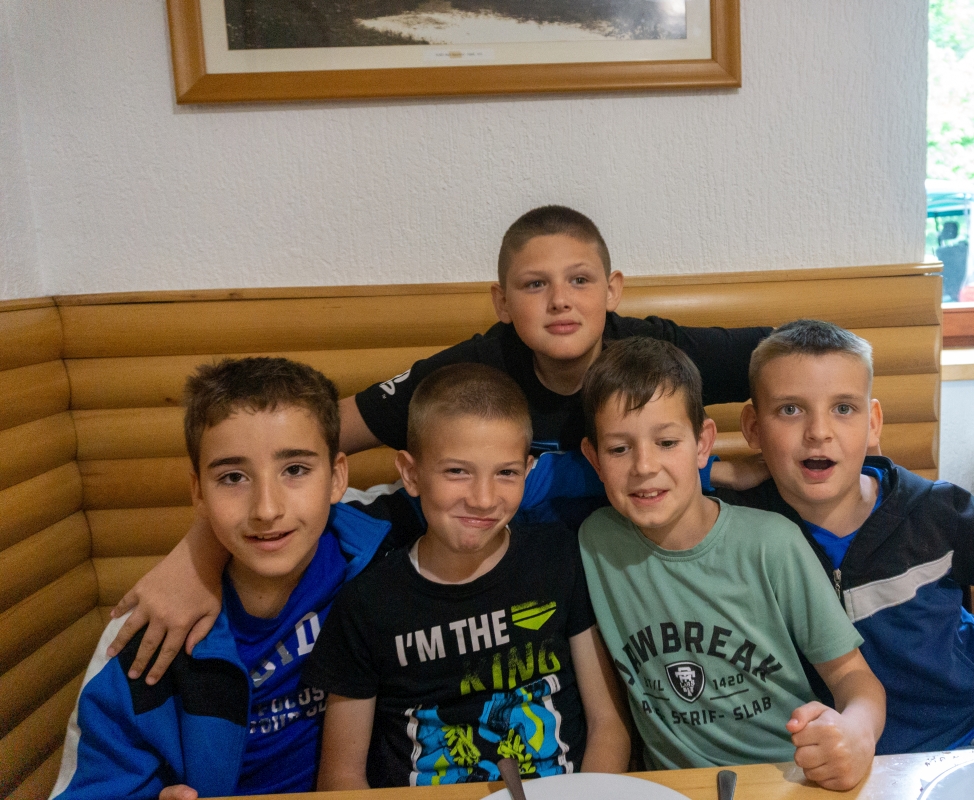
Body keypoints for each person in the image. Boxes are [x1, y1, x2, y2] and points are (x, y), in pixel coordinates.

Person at [109, 204, 773, 684]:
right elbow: (296, 437)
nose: (560, 301)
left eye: (579, 280)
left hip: (617, 567)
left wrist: (733, 465)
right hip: (499, 569)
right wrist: (197, 554)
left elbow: (802, 354)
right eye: (534, 284)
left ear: (613, 290)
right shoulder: (474, 367)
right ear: (502, 302)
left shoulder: (657, 351)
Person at [724, 319, 974, 754]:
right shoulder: (738, 527)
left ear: (873, 423)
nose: (819, 431)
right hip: (853, 758)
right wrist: (717, 472)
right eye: (790, 410)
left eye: (844, 408)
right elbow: (666, 477)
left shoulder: (938, 510)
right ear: (753, 427)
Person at [51, 357, 394, 799]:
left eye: (295, 470)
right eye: (233, 477)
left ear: (337, 477)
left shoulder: (386, 552)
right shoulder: (146, 637)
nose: (266, 509)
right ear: (198, 491)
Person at [576, 338, 885, 791]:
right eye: (619, 449)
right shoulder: (595, 543)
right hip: (673, 788)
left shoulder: (772, 543)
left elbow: (853, 677)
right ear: (594, 459)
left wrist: (855, 732)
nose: (644, 466)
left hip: (791, 779)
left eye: (667, 442)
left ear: (703, 444)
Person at [303, 364, 631, 788]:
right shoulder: (367, 604)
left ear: (528, 470)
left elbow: (609, 725)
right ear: (411, 474)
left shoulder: (559, 557)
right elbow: (341, 776)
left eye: (506, 473)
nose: (482, 499)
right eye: (457, 471)